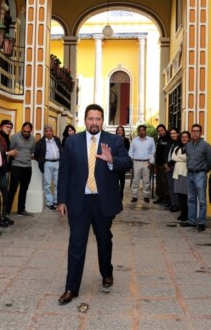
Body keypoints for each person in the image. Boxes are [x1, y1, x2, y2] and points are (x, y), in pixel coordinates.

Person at [56, 104, 132, 305]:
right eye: (91, 119)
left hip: (103, 201)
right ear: (85, 120)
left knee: (104, 240)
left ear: (103, 121)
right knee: (76, 244)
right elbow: (64, 172)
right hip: (79, 202)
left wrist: (111, 160)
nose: (94, 122)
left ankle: (106, 272)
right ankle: (71, 288)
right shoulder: (72, 142)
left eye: (98, 119)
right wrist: (61, 200)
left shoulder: (114, 141)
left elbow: (127, 163)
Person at [185, 124, 211, 231]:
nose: (195, 133)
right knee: (191, 199)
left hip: (200, 174)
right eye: (193, 131)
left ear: (200, 132)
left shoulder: (206, 145)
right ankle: (191, 221)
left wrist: (205, 170)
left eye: (197, 131)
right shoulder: (188, 145)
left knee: (201, 200)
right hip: (190, 174)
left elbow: (210, 160)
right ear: (191, 132)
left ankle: (201, 222)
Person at [7, 122, 36, 216]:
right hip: (16, 166)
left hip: (27, 167)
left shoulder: (33, 139)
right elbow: (9, 150)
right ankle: (7, 211)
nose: (26, 133)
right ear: (21, 129)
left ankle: (21, 210)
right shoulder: (14, 137)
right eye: (24, 131)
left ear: (31, 131)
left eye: (28, 132)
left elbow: (31, 151)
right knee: (13, 189)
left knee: (24, 189)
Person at [34, 125, 62, 210]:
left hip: (57, 163)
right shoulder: (40, 142)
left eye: (50, 130)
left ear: (52, 131)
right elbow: (36, 155)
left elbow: (61, 150)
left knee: (58, 183)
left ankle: (56, 201)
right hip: (47, 164)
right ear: (44, 132)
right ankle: (49, 203)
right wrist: (42, 161)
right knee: (47, 184)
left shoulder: (57, 140)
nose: (48, 132)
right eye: (46, 131)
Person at [0, 119, 17, 226]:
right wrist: (9, 153)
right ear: (1, 127)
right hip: (0, 171)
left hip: (6, 169)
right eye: (7, 127)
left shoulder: (5, 138)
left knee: (5, 194)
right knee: (1, 194)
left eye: (10, 128)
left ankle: (3, 216)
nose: (9, 129)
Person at [128, 125, 155, 203]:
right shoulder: (134, 140)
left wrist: (151, 162)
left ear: (145, 131)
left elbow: (153, 152)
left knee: (146, 181)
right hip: (136, 162)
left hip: (147, 162)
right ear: (138, 131)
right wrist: (132, 159)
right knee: (135, 180)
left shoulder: (151, 140)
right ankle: (134, 196)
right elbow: (130, 151)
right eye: (140, 130)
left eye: (143, 130)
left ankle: (146, 196)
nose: (141, 132)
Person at [173, 130, 190, 223]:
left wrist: (178, 158)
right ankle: (182, 213)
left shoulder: (190, 148)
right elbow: (173, 157)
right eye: (182, 136)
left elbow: (188, 158)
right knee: (180, 195)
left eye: (186, 136)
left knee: (185, 195)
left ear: (189, 138)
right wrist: (182, 158)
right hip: (177, 173)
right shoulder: (177, 147)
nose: (184, 138)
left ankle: (186, 214)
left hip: (185, 173)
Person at [153, 124, 171, 205]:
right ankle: (161, 197)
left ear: (165, 130)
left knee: (165, 182)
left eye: (162, 130)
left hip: (165, 165)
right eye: (159, 131)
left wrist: (167, 163)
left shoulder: (169, 139)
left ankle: (167, 199)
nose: (160, 132)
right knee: (159, 182)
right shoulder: (159, 139)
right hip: (158, 164)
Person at [165, 128, 181, 212]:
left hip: (174, 168)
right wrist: (166, 164)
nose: (173, 135)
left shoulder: (179, 144)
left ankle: (177, 205)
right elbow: (167, 154)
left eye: (174, 133)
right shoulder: (171, 143)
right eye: (171, 134)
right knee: (171, 187)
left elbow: (177, 157)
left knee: (175, 187)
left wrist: (169, 165)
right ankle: (173, 203)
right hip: (169, 167)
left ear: (178, 134)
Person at [115, 125, 130, 199]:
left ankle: (121, 193)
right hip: (114, 161)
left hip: (122, 161)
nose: (120, 131)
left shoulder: (126, 140)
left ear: (123, 131)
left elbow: (127, 150)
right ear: (116, 131)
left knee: (122, 178)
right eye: (118, 130)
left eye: (121, 130)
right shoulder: (113, 139)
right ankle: (116, 192)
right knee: (115, 178)